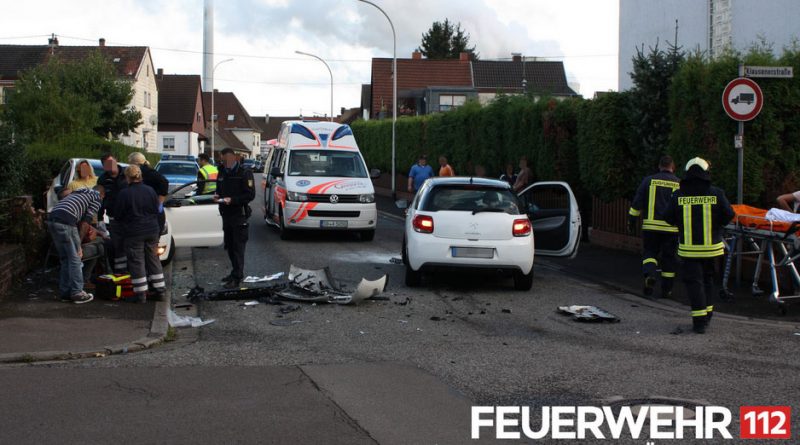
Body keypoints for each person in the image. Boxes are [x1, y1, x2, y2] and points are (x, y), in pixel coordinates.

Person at [663, 157, 734, 334]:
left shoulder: (678, 195)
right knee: (708, 280)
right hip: (712, 248)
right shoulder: (716, 193)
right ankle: (708, 313)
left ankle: (699, 322)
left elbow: (668, 217)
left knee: (694, 283)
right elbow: (729, 215)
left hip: (689, 250)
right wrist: (716, 226)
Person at [627, 155, 681, 298]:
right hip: (671, 229)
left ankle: (650, 275)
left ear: (659, 166)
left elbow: (637, 202)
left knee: (650, 253)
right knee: (668, 258)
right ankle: (667, 290)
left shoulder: (648, 181)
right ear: (673, 167)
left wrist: (632, 220)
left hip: (651, 227)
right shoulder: (679, 184)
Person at [114, 165, 165, 303]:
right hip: (152, 230)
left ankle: (140, 294)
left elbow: (118, 214)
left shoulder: (125, 193)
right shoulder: (150, 191)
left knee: (137, 261)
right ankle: (159, 290)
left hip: (134, 232)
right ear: (140, 176)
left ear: (127, 177)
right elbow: (156, 209)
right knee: (153, 259)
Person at [47, 186, 104, 304]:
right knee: (75, 258)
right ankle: (77, 292)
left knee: (65, 259)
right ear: (102, 195)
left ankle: (65, 293)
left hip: (52, 219)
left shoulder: (79, 191)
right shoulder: (97, 197)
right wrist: (79, 245)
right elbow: (85, 223)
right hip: (66, 221)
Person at [215, 147, 256, 289]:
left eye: (225, 159)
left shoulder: (244, 172)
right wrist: (218, 197)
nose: (223, 161)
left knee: (238, 248)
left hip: (239, 215)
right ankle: (234, 273)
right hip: (226, 214)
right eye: (222, 159)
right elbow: (219, 189)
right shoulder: (222, 171)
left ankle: (238, 277)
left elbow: (250, 195)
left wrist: (232, 200)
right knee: (230, 247)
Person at [97, 153, 128, 273]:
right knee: (118, 245)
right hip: (114, 217)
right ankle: (120, 273)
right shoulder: (103, 179)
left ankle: (132, 272)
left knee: (130, 245)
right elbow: (100, 199)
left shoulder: (126, 174)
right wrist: (100, 218)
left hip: (129, 217)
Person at [128, 152, 169, 233]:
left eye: (130, 164)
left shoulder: (146, 172)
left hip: (150, 213)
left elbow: (164, 182)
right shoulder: (147, 171)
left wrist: (160, 201)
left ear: (135, 164)